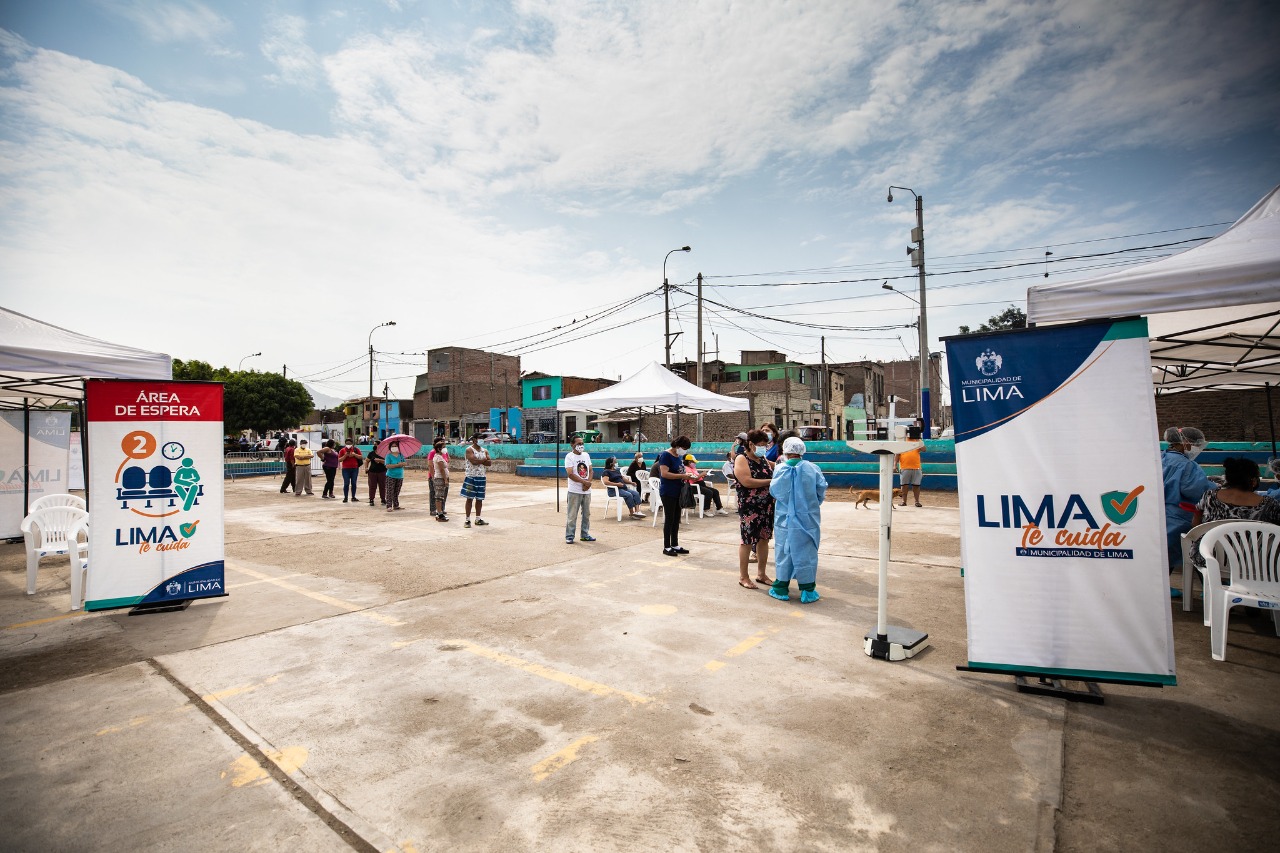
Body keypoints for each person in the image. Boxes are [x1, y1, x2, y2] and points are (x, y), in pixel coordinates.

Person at [1188, 457, 1280, 568]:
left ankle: (1211, 582)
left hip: (1211, 559)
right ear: (1254, 480)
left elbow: (1195, 524)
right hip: (1253, 563)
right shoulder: (1269, 504)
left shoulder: (1209, 496)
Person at [768, 437, 828, 603]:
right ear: (802, 451)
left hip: (785, 518)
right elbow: (821, 490)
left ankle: (781, 588)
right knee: (807, 552)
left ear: (785, 451)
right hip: (807, 517)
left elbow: (775, 491)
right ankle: (807, 590)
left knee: (783, 550)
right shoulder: (813, 469)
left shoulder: (780, 469)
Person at [1161, 426, 1214, 598]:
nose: (1197, 448)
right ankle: (1212, 588)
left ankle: (1160, 587)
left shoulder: (1159, 458)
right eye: (1195, 444)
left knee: (1161, 554)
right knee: (1195, 546)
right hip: (1177, 517)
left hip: (1157, 514)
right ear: (1184, 443)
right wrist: (1216, 486)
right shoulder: (1186, 466)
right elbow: (1197, 490)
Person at [734, 430, 775, 588]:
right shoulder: (741, 459)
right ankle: (743, 576)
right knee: (747, 541)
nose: (764, 448)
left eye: (766, 445)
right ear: (750, 444)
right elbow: (747, 481)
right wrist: (770, 481)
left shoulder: (763, 459)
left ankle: (761, 574)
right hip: (749, 507)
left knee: (764, 539)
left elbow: (777, 467)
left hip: (767, 506)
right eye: (761, 445)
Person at [656, 437, 694, 556]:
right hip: (668, 491)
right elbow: (664, 473)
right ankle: (666, 546)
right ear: (677, 446)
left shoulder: (678, 456)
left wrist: (685, 475)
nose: (684, 451)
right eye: (684, 448)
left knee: (676, 519)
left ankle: (675, 544)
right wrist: (682, 476)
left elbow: (679, 471)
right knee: (669, 519)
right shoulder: (666, 455)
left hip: (678, 491)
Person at [564, 437, 595, 543]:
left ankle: (585, 534)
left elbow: (590, 471)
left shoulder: (586, 455)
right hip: (574, 491)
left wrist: (588, 483)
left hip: (586, 490)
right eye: (578, 443)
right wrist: (584, 482)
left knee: (586, 514)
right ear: (572, 444)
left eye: (582, 443)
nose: (581, 445)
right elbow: (570, 474)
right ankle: (570, 536)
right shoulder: (569, 457)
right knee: (572, 515)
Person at [461, 434, 492, 528]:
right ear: (474, 439)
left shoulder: (484, 450)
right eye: (480, 438)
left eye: (483, 438)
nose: (482, 440)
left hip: (481, 477)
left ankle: (478, 518)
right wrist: (484, 460)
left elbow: (489, 463)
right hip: (471, 477)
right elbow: (473, 462)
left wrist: (480, 460)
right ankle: (467, 519)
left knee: (480, 499)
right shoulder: (469, 450)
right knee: (469, 498)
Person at [896, 441, 925, 507]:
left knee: (916, 485)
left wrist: (919, 441)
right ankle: (904, 501)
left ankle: (917, 502)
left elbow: (924, 449)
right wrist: (895, 465)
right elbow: (897, 455)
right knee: (904, 486)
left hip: (916, 467)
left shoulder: (917, 442)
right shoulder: (902, 441)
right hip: (904, 467)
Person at [427, 442, 450, 520]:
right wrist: (445, 480)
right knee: (439, 496)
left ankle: (439, 512)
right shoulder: (438, 458)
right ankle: (439, 513)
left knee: (440, 496)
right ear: (439, 449)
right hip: (440, 478)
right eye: (443, 447)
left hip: (441, 478)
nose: (445, 448)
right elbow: (441, 469)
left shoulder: (440, 456)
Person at [338, 438, 363, 503]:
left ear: (352, 444)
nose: (348, 445)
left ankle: (353, 496)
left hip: (354, 468)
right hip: (345, 469)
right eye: (347, 444)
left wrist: (354, 455)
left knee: (354, 483)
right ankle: (345, 497)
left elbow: (361, 457)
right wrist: (345, 456)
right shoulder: (342, 450)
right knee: (346, 483)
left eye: (349, 444)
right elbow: (339, 460)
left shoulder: (356, 450)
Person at [384, 440, 406, 512]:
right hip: (391, 476)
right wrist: (397, 465)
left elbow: (405, 463)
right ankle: (389, 506)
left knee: (397, 491)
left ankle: (396, 505)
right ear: (390, 448)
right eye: (393, 446)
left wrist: (402, 464)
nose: (394, 447)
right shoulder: (388, 456)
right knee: (390, 491)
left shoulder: (400, 455)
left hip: (400, 476)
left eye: (395, 446)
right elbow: (387, 466)